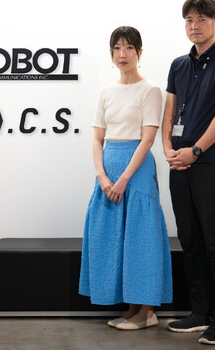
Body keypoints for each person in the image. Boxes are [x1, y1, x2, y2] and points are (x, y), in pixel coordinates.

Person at [162, 0, 215, 345]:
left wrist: (195, 151)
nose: (194, 26)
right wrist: (168, 149)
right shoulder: (178, 64)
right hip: (179, 164)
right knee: (190, 240)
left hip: (213, 164)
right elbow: (169, 112)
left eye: (201, 19)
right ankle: (200, 311)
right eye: (189, 20)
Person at [79, 26, 173, 331]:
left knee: (140, 238)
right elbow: (97, 138)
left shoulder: (150, 90)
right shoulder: (107, 91)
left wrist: (123, 179)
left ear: (139, 52)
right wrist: (102, 176)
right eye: (117, 48)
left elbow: (148, 139)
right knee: (112, 237)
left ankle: (146, 312)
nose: (123, 54)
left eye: (129, 48)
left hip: (137, 170)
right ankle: (132, 309)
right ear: (111, 53)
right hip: (108, 169)